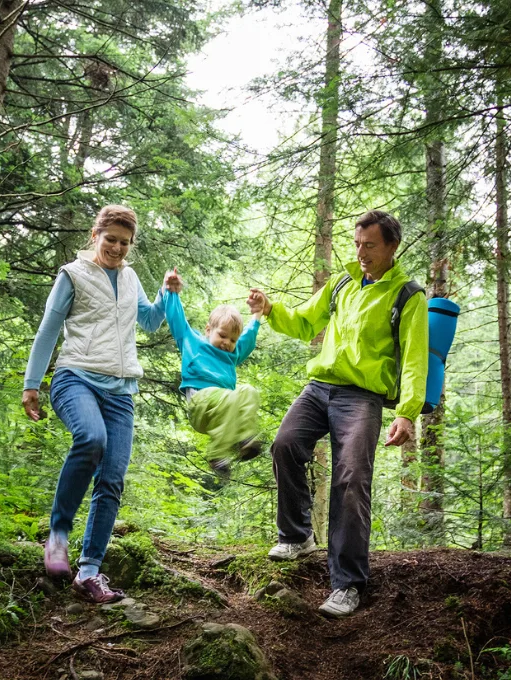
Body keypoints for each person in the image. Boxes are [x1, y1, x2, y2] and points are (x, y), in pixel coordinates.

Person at [247, 210, 428, 618]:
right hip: (320, 387)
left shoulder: (408, 295)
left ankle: (347, 584)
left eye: (370, 246)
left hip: (362, 397)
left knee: (350, 479)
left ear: (392, 247)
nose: (361, 253)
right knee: (285, 444)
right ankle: (297, 536)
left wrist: (407, 412)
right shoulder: (342, 282)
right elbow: (305, 322)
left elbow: (415, 360)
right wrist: (271, 308)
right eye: (358, 244)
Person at [22, 204, 182, 603]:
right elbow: (48, 330)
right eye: (110, 239)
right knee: (91, 439)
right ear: (95, 236)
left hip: (121, 389)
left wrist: (165, 292)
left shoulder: (129, 278)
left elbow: (147, 320)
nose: (117, 248)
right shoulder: (72, 275)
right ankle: (57, 536)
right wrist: (31, 384)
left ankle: (89, 573)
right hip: (74, 377)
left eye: (125, 243)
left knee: (111, 478)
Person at [164, 282, 262, 478]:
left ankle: (246, 439)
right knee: (232, 397)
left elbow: (248, 338)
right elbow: (177, 321)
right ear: (208, 330)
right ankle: (217, 454)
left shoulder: (232, 354)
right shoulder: (193, 342)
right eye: (222, 335)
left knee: (249, 391)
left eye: (233, 340)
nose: (227, 343)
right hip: (200, 404)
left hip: (223, 407)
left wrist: (257, 314)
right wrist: (172, 293)